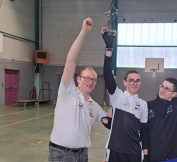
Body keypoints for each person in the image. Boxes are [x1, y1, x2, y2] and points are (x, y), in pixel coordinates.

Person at [48, 18, 108, 162]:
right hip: (61, 154)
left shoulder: (95, 106)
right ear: (78, 79)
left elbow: (109, 119)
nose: (90, 81)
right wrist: (83, 32)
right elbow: (70, 60)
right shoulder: (67, 92)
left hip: (82, 155)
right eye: (86, 78)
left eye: (93, 79)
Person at [101, 27, 148, 162]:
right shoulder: (118, 96)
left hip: (134, 152)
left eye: (137, 80)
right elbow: (108, 76)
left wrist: (146, 154)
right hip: (115, 150)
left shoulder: (143, 105)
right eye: (131, 80)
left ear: (140, 83)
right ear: (125, 82)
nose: (134, 83)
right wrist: (109, 48)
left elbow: (144, 130)